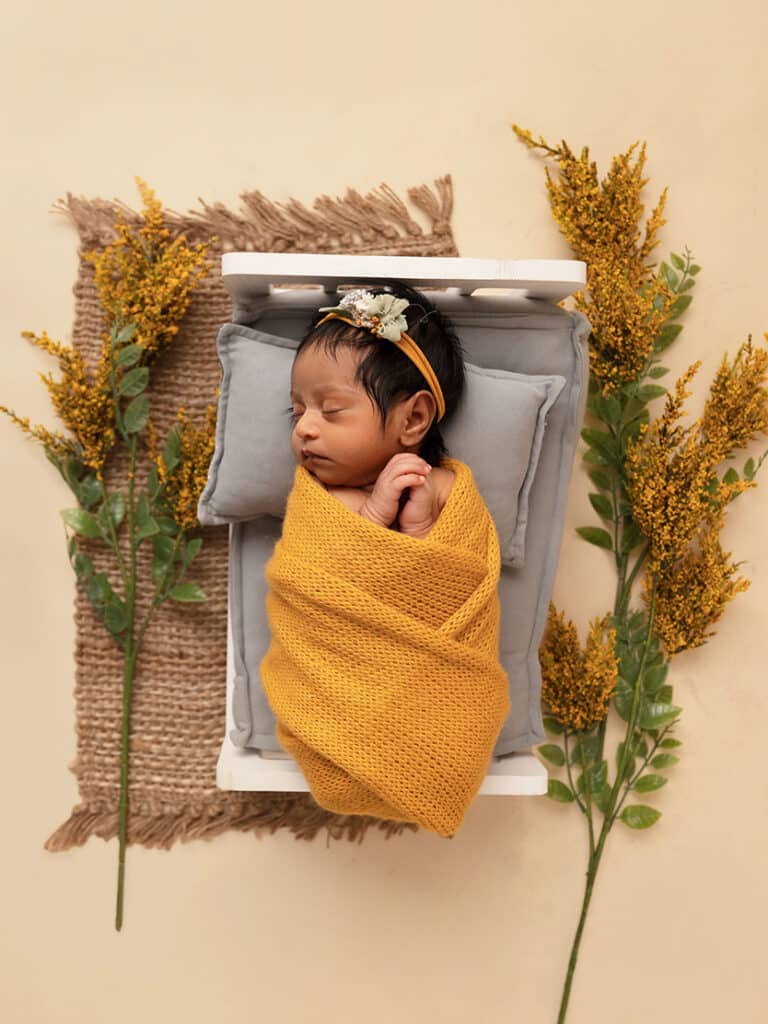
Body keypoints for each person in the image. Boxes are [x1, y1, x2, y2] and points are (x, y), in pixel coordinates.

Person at [286, 279, 466, 539]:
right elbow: (314, 572)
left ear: (413, 419)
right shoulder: (319, 498)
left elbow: (465, 568)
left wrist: (423, 527)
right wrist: (373, 516)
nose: (302, 428)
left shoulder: (443, 489)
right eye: (297, 413)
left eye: (331, 410)